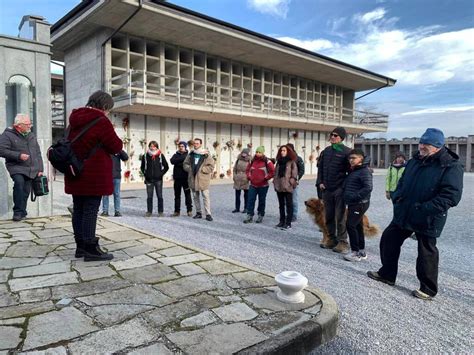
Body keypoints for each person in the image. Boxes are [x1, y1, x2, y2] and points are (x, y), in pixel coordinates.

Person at [368, 128, 463, 300]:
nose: (422, 147)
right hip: (405, 212)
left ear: (438, 146)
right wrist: (397, 196)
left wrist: (425, 208)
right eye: (421, 143)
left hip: (428, 216)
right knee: (389, 239)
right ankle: (387, 274)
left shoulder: (450, 165)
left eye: (426, 144)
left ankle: (427, 289)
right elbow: (403, 182)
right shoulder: (414, 161)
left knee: (427, 252)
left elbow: (451, 196)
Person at [65, 91, 123, 261]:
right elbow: (116, 146)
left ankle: (80, 247)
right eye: (109, 109)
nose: (108, 113)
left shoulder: (74, 119)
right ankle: (91, 249)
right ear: (104, 106)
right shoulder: (101, 121)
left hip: (75, 171)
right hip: (94, 175)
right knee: (91, 210)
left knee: (78, 210)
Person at [0, 114, 43, 221]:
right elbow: (1, 150)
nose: (30, 126)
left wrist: (40, 169)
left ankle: (22, 211)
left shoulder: (31, 135)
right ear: (19, 125)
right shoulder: (7, 135)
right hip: (16, 166)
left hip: (31, 168)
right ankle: (18, 212)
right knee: (19, 183)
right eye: (27, 124)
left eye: (30, 124)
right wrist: (18, 155)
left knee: (26, 190)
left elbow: (38, 153)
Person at [316, 127, 351, 253]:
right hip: (327, 190)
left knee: (340, 217)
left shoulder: (347, 152)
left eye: (335, 135)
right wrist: (320, 182)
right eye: (331, 135)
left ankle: (343, 242)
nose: (332, 137)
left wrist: (344, 187)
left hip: (339, 190)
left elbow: (351, 172)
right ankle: (331, 239)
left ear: (341, 138)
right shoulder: (326, 151)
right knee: (329, 215)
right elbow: (320, 168)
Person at [342, 149, 373, 262]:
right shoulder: (354, 170)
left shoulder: (364, 171)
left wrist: (354, 196)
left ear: (361, 158)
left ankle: (355, 253)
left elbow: (368, 188)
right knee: (358, 226)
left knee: (350, 225)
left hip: (359, 203)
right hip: (354, 203)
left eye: (354, 158)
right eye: (350, 158)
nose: (351, 160)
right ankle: (361, 251)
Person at [183, 138, 215, 221]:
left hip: (203, 179)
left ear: (201, 144)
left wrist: (202, 170)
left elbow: (211, 166)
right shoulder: (191, 154)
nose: (195, 144)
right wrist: (189, 169)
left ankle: (208, 214)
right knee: (195, 197)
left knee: (205, 197)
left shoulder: (206, 154)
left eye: (197, 143)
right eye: (194, 143)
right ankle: (198, 213)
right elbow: (185, 164)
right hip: (193, 178)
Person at [244, 146, 275, 224]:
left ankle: (260, 215)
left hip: (263, 186)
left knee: (261, 201)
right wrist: (249, 177)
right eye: (257, 152)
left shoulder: (267, 161)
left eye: (259, 152)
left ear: (263, 153)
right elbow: (247, 170)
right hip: (253, 185)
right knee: (250, 200)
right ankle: (249, 215)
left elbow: (272, 171)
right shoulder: (252, 161)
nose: (258, 154)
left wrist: (266, 178)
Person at [140, 141, 169, 217]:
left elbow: (166, 167)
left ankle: (160, 212)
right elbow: (142, 167)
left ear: (157, 147)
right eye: (151, 146)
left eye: (154, 146)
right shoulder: (145, 156)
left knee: (159, 196)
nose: (152, 147)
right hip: (149, 180)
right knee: (149, 196)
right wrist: (146, 174)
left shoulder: (160, 156)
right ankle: (149, 211)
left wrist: (160, 174)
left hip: (158, 180)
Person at [273, 145, 298, 230]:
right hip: (279, 186)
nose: (282, 152)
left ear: (288, 152)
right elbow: (275, 173)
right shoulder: (278, 162)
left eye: (284, 150)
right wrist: (275, 182)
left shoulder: (291, 162)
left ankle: (288, 223)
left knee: (289, 204)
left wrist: (290, 182)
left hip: (287, 186)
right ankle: (281, 221)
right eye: (281, 150)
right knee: (281, 205)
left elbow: (294, 174)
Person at [101, 150, 128, 217]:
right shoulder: (104, 150)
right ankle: (105, 211)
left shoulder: (117, 150)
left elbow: (125, 157)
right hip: (106, 175)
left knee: (116, 194)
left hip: (116, 175)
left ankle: (117, 211)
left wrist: (119, 149)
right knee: (105, 194)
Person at [170, 141, 193, 217]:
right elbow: (172, 161)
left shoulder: (189, 155)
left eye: (182, 146)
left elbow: (188, 163)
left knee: (187, 194)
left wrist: (178, 161)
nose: (181, 147)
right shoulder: (176, 154)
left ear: (185, 147)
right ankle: (177, 211)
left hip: (186, 178)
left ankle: (189, 210)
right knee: (177, 196)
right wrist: (182, 160)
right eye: (180, 146)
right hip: (177, 178)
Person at [287, 143, 305, 222]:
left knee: (294, 199)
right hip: (285, 183)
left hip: (294, 182)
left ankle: (294, 215)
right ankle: (287, 214)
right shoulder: (284, 158)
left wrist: (297, 179)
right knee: (286, 200)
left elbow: (302, 170)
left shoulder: (298, 159)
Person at [232, 148, 251, 213]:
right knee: (237, 195)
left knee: (246, 195)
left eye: (245, 153)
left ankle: (246, 208)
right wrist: (234, 176)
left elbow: (251, 170)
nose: (244, 154)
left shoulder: (249, 161)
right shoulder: (238, 160)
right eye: (243, 152)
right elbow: (234, 169)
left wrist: (248, 177)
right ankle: (237, 208)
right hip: (237, 179)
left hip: (245, 179)